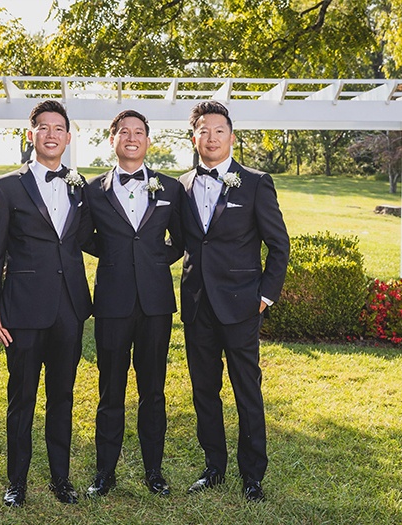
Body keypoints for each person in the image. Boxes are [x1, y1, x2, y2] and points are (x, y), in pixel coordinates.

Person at [0, 99, 92, 507]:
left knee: (62, 397)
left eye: (58, 127)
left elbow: (85, 239)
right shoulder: (7, 186)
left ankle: (61, 480)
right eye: (43, 127)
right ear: (32, 135)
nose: (51, 134)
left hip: (70, 309)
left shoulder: (81, 186)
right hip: (23, 311)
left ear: (67, 136)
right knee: (22, 397)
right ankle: (17, 483)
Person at [179, 100, 289, 502]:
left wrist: (264, 297)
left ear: (232, 136)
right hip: (196, 305)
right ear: (195, 137)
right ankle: (214, 467)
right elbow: (181, 242)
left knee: (247, 390)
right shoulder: (182, 184)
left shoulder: (257, 182)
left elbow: (279, 245)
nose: (211, 137)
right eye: (204, 131)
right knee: (203, 390)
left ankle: (252, 475)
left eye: (219, 130)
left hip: (242, 306)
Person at [84, 109, 183, 498]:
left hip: (156, 303)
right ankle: (105, 473)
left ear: (148, 140)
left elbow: (184, 239)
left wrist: (154, 261)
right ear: (112, 140)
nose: (131, 137)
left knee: (153, 390)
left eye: (138, 132)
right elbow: (81, 236)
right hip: (111, 301)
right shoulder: (92, 190)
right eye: (123, 132)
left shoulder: (170, 188)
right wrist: (113, 255)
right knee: (110, 390)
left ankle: (154, 471)